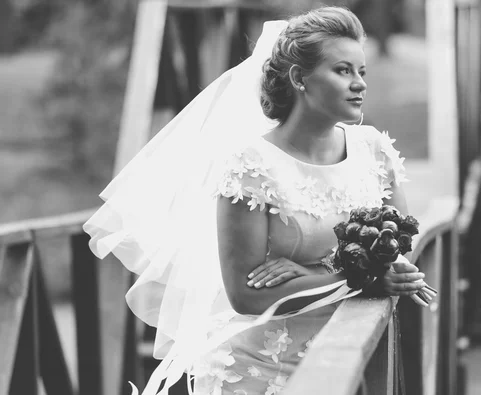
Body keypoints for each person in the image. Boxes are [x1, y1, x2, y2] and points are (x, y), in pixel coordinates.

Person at [84, 6, 427, 395]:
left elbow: (399, 255)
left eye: (361, 71)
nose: (359, 84)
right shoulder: (250, 166)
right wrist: (349, 278)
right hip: (259, 370)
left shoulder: (375, 151)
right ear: (300, 78)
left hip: (355, 360)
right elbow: (245, 295)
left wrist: (321, 274)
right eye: (342, 70)